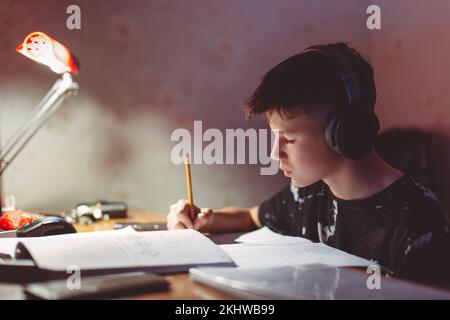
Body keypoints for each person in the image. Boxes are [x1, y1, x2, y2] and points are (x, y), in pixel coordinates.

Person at [167, 43, 450, 287]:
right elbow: (252, 216)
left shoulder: (419, 226)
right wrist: (205, 218)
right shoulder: (307, 194)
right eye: (275, 135)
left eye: (288, 139)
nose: (275, 153)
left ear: (346, 131)